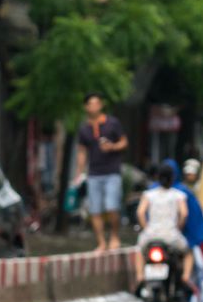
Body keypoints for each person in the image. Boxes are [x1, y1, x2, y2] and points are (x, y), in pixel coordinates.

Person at [74, 93, 129, 252]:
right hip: (94, 173)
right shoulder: (84, 129)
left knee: (112, 206)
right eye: (91, 104)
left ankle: (114, 237)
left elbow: (124, 142)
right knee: (95, 210)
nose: (95, 106)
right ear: (86, 107)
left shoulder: (112, 123)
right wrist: (79, 171)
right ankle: (101, 242)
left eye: (97, 103)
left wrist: (112, 147)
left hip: (112, 171)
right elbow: (82, 151)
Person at [133, 163, 193, 291]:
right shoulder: (178, 195)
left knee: (139, 251)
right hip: (171, 235)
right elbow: (184, 213)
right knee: (188, 253)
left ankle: (139, 276)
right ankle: (186, 277)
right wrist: (178, 227)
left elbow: (140, 212)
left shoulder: (149, 194)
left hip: (151, 234)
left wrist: (146, 228)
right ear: (173, 178)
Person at [171, 158, 203, 302]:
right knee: (197, 266)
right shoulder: (183, 193)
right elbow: (187, 216)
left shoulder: (151, 192)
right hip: (179, 238)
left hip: (155, 237)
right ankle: (187, 278)